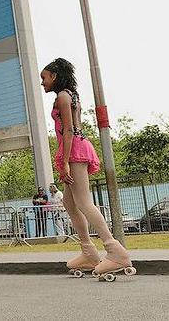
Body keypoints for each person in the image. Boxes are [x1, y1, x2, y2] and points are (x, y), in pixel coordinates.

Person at [41, 58, 134, 279]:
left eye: (44, 78)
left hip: (74, 150)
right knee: (69, 202)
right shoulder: (70, 94)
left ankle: (115, 250)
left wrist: (64, 162)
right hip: (74, 149)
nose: (42, 82)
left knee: (83, 202)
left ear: (54, 76)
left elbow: (69, 130)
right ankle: (89, 252)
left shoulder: (63, 96)